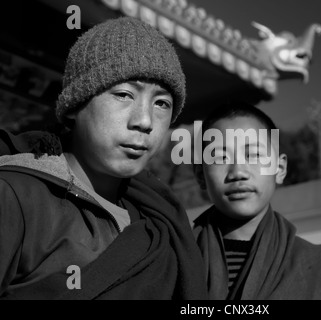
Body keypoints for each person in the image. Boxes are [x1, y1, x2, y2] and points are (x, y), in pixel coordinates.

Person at [0, 16, 207, 299]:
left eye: (161, 103)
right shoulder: (15, 196)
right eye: (123, 94)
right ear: (75, 105)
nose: (145, 120)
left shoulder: (160, 221)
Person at [192, 101, 321, 300]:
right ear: (200, 175)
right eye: (220, 157)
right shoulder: (174, 259)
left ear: (280, 169)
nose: (238, 172)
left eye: (254, 155)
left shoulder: (312, 263)